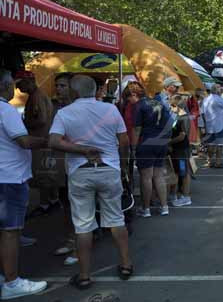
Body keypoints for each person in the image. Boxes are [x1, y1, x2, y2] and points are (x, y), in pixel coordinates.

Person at [48, 75, 133, 289]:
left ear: (74, 91)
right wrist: (123, 166)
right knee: (116, 219)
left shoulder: (64, 113)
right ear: (95, 90)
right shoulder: (110, 109)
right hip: (109, 168)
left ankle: (85, 275)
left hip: (80, 172)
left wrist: (82, 149)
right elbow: (124, 141)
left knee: (83, 225)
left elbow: (53, 141)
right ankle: (126, 264)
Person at [0, 69, 49, 300]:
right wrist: (48, 141)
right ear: (4, 85)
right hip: (10, 177)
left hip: (5, 176)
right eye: (12, 83)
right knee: (10, 232)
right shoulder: (6, 109)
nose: (15, 88)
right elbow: (24, 141)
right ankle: (12, 282)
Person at [15, 72, 57, 218]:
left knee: (42, 174)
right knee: (48, 173)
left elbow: (42, 119)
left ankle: (45, 205)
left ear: (29, 81)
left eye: (20, 84)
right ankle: (53, 201)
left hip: (40, 141)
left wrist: (24, 123)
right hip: (43, 140)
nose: (18, 88)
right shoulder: (36, 95)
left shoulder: (37, 96)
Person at [131, 83, 173, 217]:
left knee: (146, 177)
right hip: (161, 142)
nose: (129, 101)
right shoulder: (158, 103)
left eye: (129, 97)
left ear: (134, 95)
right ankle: (164, 206)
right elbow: (170, 123)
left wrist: (133, 148)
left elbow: (136, 129)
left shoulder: (139, 106)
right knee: (159, 176)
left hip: (146, 142)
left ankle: (146, 208)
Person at [51, 73, 78, 266]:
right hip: (63, 162)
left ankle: (79, 245)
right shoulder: (58, 108)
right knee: (66, 204)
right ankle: (71, 239)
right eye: (57, 86)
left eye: (63, 86)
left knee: (78, 207)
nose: (58, 89)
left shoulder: (78, 109)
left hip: (79, 164)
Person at [168, 95, 193, 207]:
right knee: (178, 171)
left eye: (172, 105)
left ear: (177, 105)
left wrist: (169, 142)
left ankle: (186, 197)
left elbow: (182, 136)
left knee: (184, 172)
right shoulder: (178, 116)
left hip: (181, 149)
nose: (170, 108)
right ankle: (176, 194)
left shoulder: (184, 117)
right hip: (177, 149)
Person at [202, 84, 223, 168]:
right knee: (219, 144)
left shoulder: (206, 99)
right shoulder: (219, 99)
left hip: (209, 125)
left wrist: (205, 124)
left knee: (210, 143)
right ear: (217, 90)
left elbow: (202, 113)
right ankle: (218, 162)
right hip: (219, 125)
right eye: (220, 88)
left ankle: (209, 161)